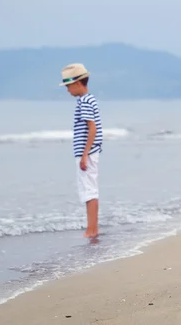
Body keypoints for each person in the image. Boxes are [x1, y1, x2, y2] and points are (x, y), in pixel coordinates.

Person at [60, 63, 103, 237]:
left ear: (78, 83)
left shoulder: (84, 101)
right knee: (88, 189)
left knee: (89, 190)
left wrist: (85, 154)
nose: (67, 90)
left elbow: (92, 129)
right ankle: (92, 228)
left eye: (68, 86)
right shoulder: (88, 99)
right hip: (90, 151)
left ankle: (91, 229)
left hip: (87, 152)